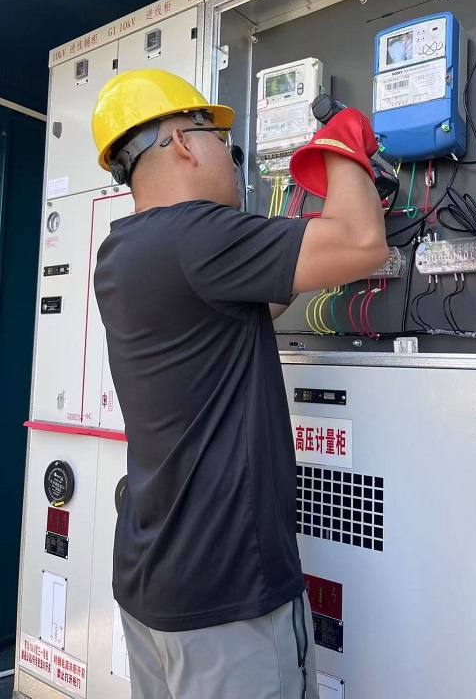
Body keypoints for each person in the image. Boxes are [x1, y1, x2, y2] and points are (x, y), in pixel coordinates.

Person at [91, 69, 388, 699]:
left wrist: (299, 248)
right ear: (182, 141)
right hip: (228, 596)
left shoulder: (122, 251)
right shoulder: (195, 234)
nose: (232, 158)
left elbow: (251, 306)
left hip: (152, 582)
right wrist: (340, 143)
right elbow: (363, 243)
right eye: (220, 139)